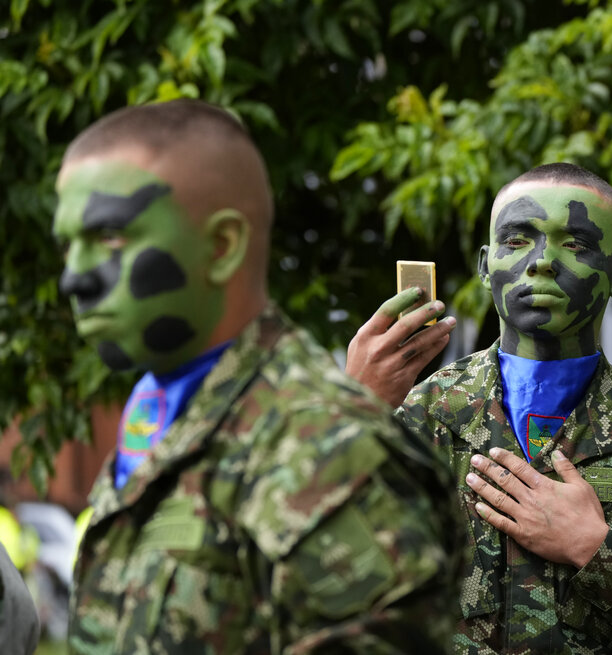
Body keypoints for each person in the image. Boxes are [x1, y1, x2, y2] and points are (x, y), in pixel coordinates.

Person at [54, 99, 460, 654]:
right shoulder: (156, 413)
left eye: (110, 239)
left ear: (221, 247)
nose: (73, 279)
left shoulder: (334, 454)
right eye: (67, 245)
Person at [393, 162, 612, 654]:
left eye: (577, 244)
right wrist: (354, 404)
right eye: (517, 239)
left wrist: (596, 550)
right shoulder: (419, 419)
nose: (543, 261)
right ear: (486, 266)